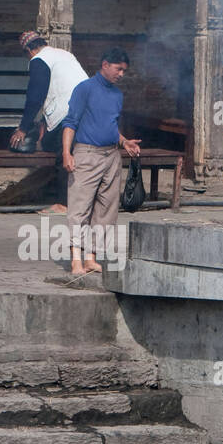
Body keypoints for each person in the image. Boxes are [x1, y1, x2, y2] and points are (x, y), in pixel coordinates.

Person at [62, 48, 141, 275]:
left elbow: (109, 125)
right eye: (118, 69)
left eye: (124, 70)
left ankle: (91, 257)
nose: (121, 74)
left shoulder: (117, 95)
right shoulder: (84, 89)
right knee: (80, 208)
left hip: (111, 155)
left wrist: (124, 142)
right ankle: (76, 258)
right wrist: (67, 153)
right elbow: (71, 122)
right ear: (105, 65)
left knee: (107, 209)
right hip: (86, 153)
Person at [9, 30, 88, 214]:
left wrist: (23, 128)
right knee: (61, 148)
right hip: (88, 107)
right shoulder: (64, 54)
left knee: (64, 153)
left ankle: (63, 203)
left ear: (29, 49)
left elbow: (36, 96)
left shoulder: (39, 60)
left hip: (69, 111)